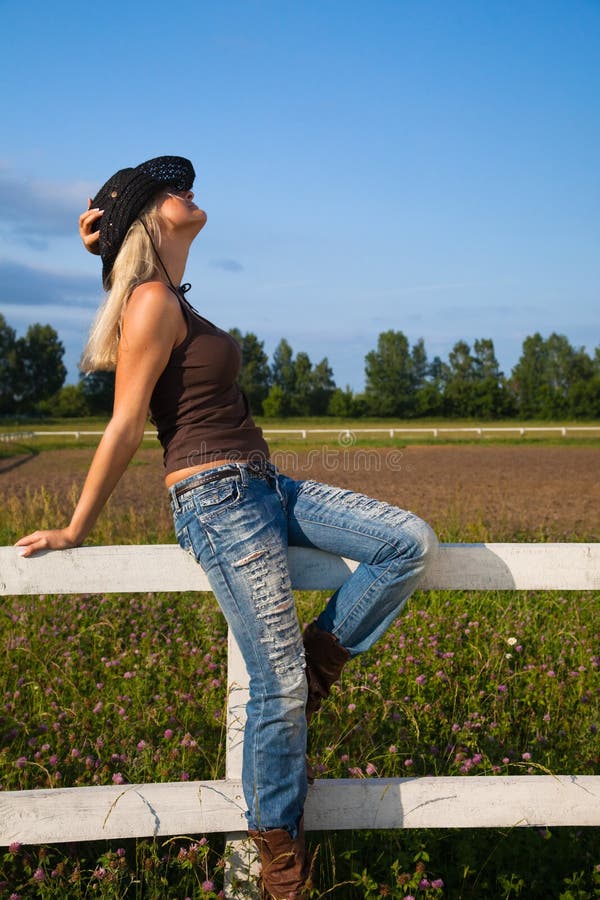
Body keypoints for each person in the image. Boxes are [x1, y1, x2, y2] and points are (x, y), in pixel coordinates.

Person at [16, 155, 438, 899]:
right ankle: (279, 862)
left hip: (267, 486)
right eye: (171, 189)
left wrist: (105, 250)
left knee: (407, 542)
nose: (189, 191)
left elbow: (135, 299)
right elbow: (123, 424)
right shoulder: (150, 301)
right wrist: (76, 527)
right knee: (271, 682)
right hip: (215, 497)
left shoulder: (170, 297)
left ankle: (316, 670)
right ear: (150, 215)